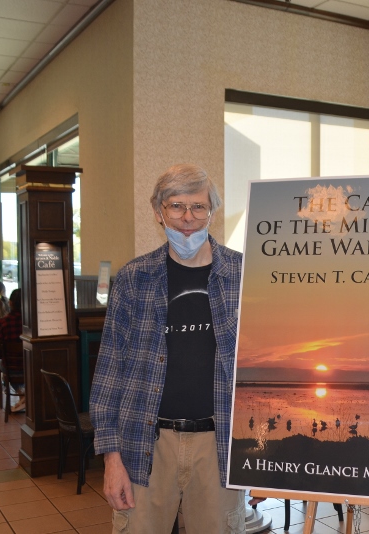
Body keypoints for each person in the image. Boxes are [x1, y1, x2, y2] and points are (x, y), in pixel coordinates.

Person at [89, 164, 245, 533]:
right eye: (176, 207)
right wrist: (112, 461)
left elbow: (265, 369)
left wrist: (262, 455)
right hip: (145, 444)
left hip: (220, 445)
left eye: (198, 207)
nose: (187, 219)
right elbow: (109, 373)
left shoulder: (244, 276)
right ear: (158, 212)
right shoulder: (134, 279)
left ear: (212, 211)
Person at [0, 289, 25, 413]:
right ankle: (24, 395)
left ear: (10, 303)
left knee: (2, 366)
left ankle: (22, 394)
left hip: (12, 370)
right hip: (31, 369)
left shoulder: (3, 322)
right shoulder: (33, 322)